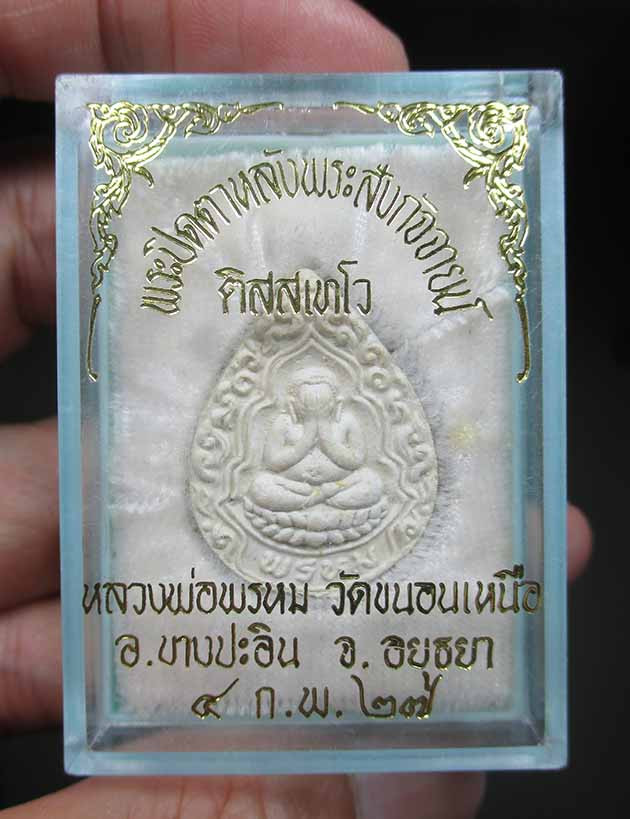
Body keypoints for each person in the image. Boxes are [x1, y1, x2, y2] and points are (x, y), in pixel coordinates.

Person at [0, 1, 592, 816]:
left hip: (344, 506)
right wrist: (291, 465)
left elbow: (369, 463)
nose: (315, 406)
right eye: (303, 396)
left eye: (325, 394)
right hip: (280, 509)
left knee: (353, 484)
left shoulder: (346, 410)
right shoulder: (277, 411)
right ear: (285, 387)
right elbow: (259, 466)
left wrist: (337, 463)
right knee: (281, 485)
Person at [246, 367, 386, 547]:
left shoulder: (347, 421)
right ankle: (315, 499)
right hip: (293, 486)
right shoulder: (284, 422)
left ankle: (313, 500)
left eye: (324, 404)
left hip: (340, 486)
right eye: (306, 405)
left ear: (337, 403)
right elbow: (273, 463)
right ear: (293, 404)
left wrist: (328, 439)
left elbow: (355, 461)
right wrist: (305, 441)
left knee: (371, 481)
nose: (316, 411)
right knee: (261, 485)